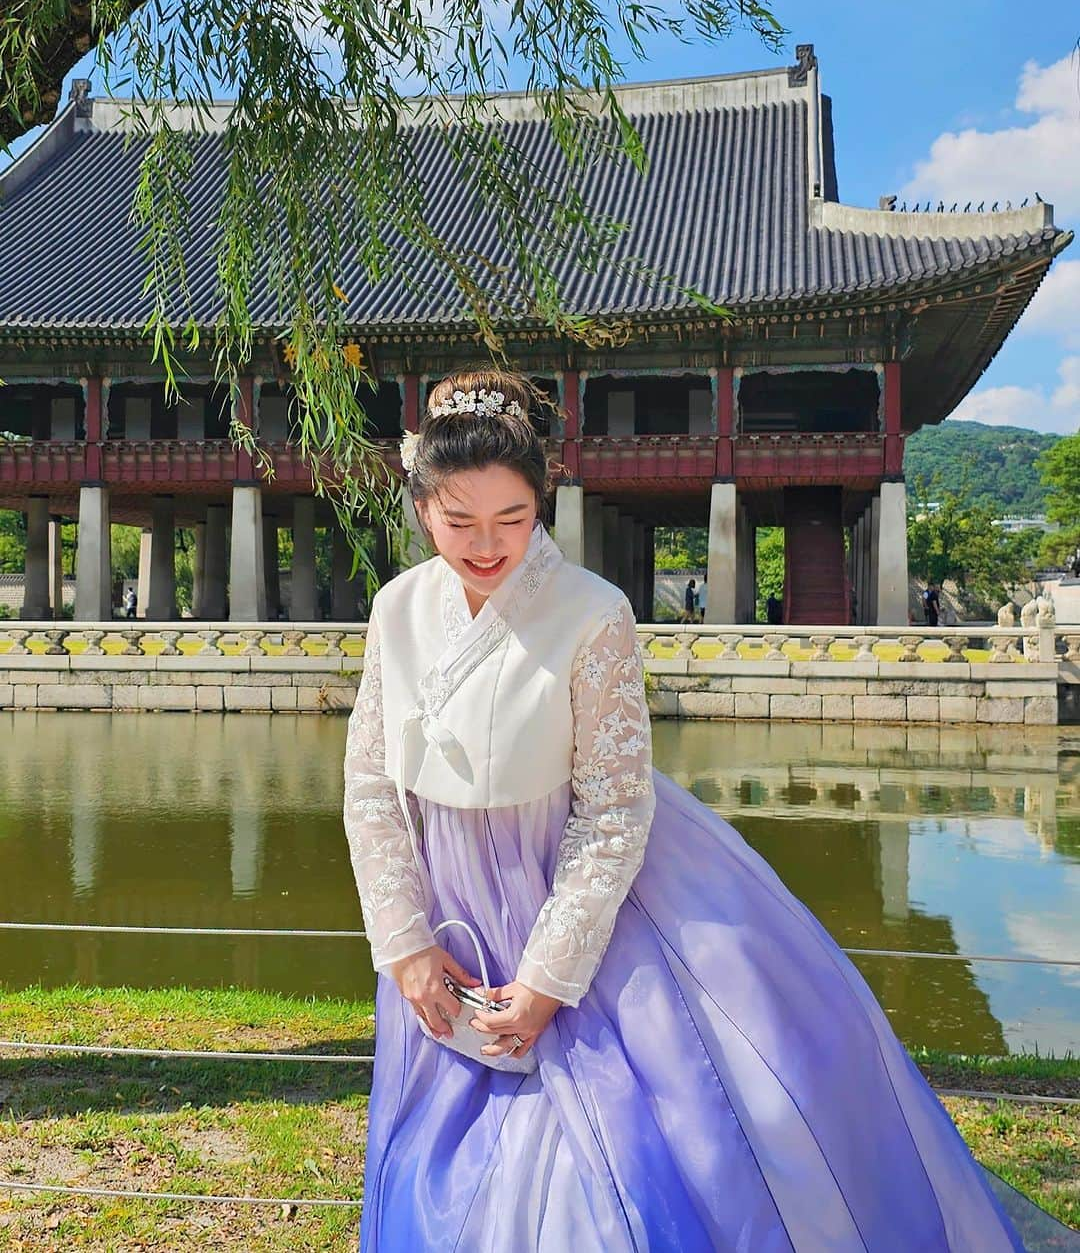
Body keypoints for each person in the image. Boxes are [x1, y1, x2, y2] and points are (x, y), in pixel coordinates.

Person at [342, 368, 1028, 1252]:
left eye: (512, 520)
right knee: (443, 1151)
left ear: (542, 503)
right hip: (447, 901)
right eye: (458, 521)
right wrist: (402, 941)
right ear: (421, 507)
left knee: (591, 1159)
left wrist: (552, 978)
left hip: (579, 898)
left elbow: (615, 810)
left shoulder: (594, 612)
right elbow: (370, 783)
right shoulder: (398, 608)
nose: (486, 545)